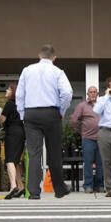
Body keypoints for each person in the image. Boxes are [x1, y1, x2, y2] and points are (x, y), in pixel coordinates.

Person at [15, 44, 72, 200]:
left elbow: (19, 95)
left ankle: (33, 191)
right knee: (54, 152)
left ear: (39, 56)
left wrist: (22, 114)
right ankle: (59, 189)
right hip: (51, 113)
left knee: (34, 153)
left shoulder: (27, 70)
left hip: (31, 114)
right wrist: (61, 111)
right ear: (54, 58)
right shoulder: (58, 72)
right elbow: (67, 93)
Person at [70, 85, 104, 193]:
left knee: (101, 163)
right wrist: (81, 131)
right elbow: (74, 120)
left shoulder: (102, 105)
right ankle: (88, 186)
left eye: (95, 92)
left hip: (101, 139)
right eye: (91, 92)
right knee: (88, 163)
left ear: (97, 94)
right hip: (88, 139)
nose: (93, 94)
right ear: (87, 94)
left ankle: (100, 185)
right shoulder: (82, 106)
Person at [0, 83, 25, 199]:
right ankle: (20, 186)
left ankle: (13, 186)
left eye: (9, 89)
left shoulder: (9, 104)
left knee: (9, 160)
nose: (6, 90)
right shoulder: (21, 104)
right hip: (21, 132)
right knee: (15, 161)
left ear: (13, 92)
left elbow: (3, 119)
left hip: (12, 133)